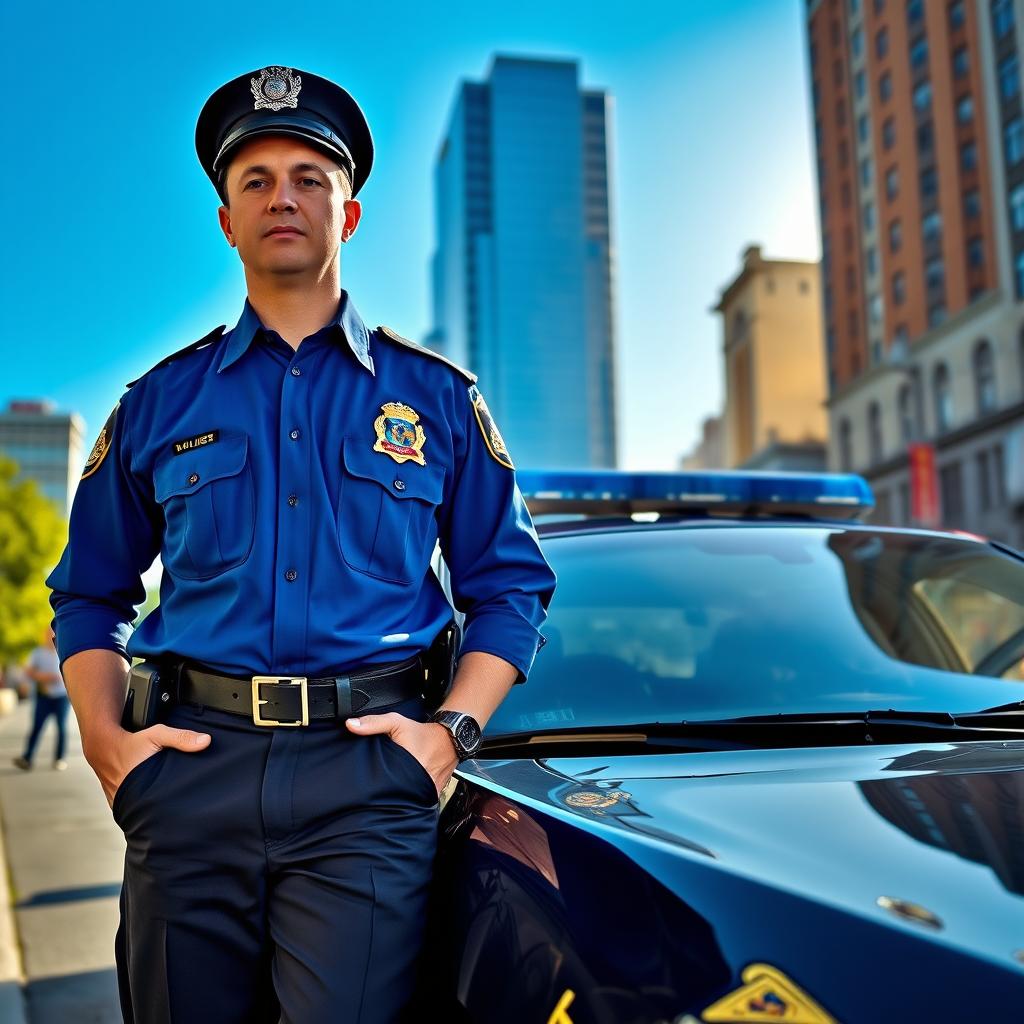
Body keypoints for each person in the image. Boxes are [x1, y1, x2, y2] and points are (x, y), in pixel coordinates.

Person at [45, 65, 557, 1024]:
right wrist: (109, 743)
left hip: (367, 782)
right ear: (228, 221)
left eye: (309, 177)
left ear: (348, 214)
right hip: (191, 772)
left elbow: (511, 588)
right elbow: (88, 592)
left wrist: (444, 741)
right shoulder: (158, 403)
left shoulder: (438, 398)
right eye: (257, 180)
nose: (284, 196)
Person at [12, 627, 70, 771]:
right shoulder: (37, 653)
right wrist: (43, 677)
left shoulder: (64, 650)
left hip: (62, 697)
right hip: (43, 696)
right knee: (37, 727)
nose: (50, 637)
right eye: (47, 634)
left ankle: (59, 758)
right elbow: (28, 671)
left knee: (61, 728)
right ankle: (27, 758)